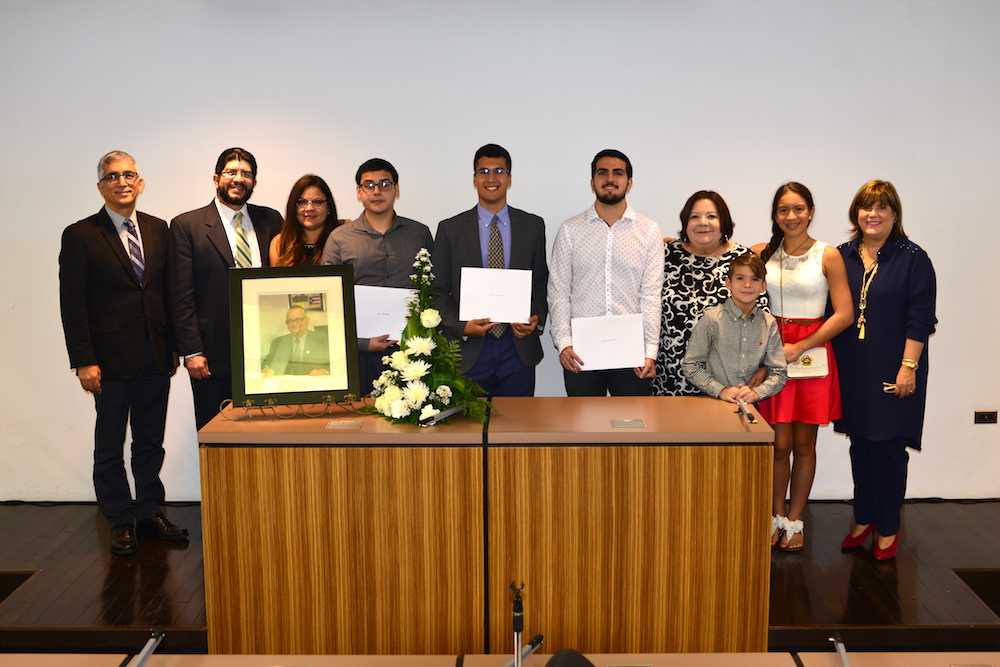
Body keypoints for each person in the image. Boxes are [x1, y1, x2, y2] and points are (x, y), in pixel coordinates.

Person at [59, 151, 188, 556]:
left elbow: (167, 292)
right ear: (102, 187)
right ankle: (119, 520)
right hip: (108, 362)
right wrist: (84, 360)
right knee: (110, 445)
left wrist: (177, 350)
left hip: (156, 356)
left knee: (150, 441)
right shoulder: (80, 235)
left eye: (128, 174)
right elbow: (73, 304)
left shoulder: (158, 229)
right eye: (112, 176)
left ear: (140, 182)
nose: (122, 181)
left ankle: (149, 512)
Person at [833, 180, 936, 561]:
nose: (872, 214)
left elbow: (921, 319)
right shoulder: (841, 255)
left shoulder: (913, 257)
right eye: (866, 207)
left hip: (895, 367)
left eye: (881, 208)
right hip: (853, 368)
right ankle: (864, 516)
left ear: (895, 214)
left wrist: (908, 368)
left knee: (889, 447)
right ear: (855, 213)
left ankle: (888, 526)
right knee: (861, 443)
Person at [751, 183, 854, 552]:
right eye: (783, 210)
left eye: (798, 209)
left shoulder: (827, 255)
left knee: (804, 444)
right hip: (771, 350)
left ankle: (795, 521)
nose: (790, 217)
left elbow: (844, 313)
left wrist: (801, 346)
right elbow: (727, 265)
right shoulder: (763, 253)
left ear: (811, 211)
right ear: (775, 214)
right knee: (778, 443)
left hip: (811, 352)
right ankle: (773, 516)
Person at [168, 147, 283, 429]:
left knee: (269, 432)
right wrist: (192, 351)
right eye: (231, 172)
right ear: (217, 178)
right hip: (212, 354)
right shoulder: (187, 226)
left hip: (268, 352)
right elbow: (180, 294)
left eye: (246, 174)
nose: (238, 179)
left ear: (254, 182)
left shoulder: (272, 220)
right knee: (215, 434)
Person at [433, 144, 548, 397]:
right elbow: (437, 291)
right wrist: (460, 326)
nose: (491, 178)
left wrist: (536, 318)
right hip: (469, 347)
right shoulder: (450, 229)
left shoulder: (532, 226)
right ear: (474, 179)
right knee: (469, 430)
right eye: (484, 171)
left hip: (517, 346)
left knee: (517, 429)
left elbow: (540, 282)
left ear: (509, 178)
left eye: (499, 171)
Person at [549, 149, 663, 396]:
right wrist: (564, 343)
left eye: (618, 173)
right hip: (581, 353)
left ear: (629, 182)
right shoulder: (570, 230)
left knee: (634, 427)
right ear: (592, 182)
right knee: (585, 429)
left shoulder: (649, 231)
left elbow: (652, 296)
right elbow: (557, 291)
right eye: (602, 173)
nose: (610, 178)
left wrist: (649, 351)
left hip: (632, 354)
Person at [322, 158, 433, 394]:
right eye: (369, 185)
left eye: (384, 184)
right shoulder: (339, 238)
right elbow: (327, 303)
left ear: (397, 189)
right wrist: (361, 343)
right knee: (361, 424)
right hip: (358, 353)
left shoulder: (419, 233)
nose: (377, 191)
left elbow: (433, 289)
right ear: (358, 192)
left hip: (412, 352)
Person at [651, 191, 762, 397]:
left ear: (724, 222)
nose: (703, 222)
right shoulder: (665, 255)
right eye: (695, 216)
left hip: (727, 383)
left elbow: (760, 319)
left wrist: (764, 366)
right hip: (670, 379)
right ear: (685, 223)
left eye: (711, 216)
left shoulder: (743, 259)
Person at [681, 253, 787, 403]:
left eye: (755, 279)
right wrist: (720, 390)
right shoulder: (712, 320)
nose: (747, 285)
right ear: (728, 283)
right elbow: (691, 366)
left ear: (763, 286)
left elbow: (779, 372)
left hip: (749, 406)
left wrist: (756, 393)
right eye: (740, 278)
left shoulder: (768, 323)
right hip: (714, 402)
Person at [270, 174, 339, 266]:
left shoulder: (342, 240)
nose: (309, 208)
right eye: (302, 202)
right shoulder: (279, 243)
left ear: (329, 206)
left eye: (317, 202)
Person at [261, 305, 330, 376]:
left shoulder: (322, 340)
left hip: (314, 385)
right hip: (285, 384)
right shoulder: (278, 342)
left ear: (307, 320)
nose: (294, 323)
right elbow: (265, 365)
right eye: (290, 321)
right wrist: (265, 370)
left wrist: (324, 371)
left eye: (298, 319)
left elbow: (336, 364)